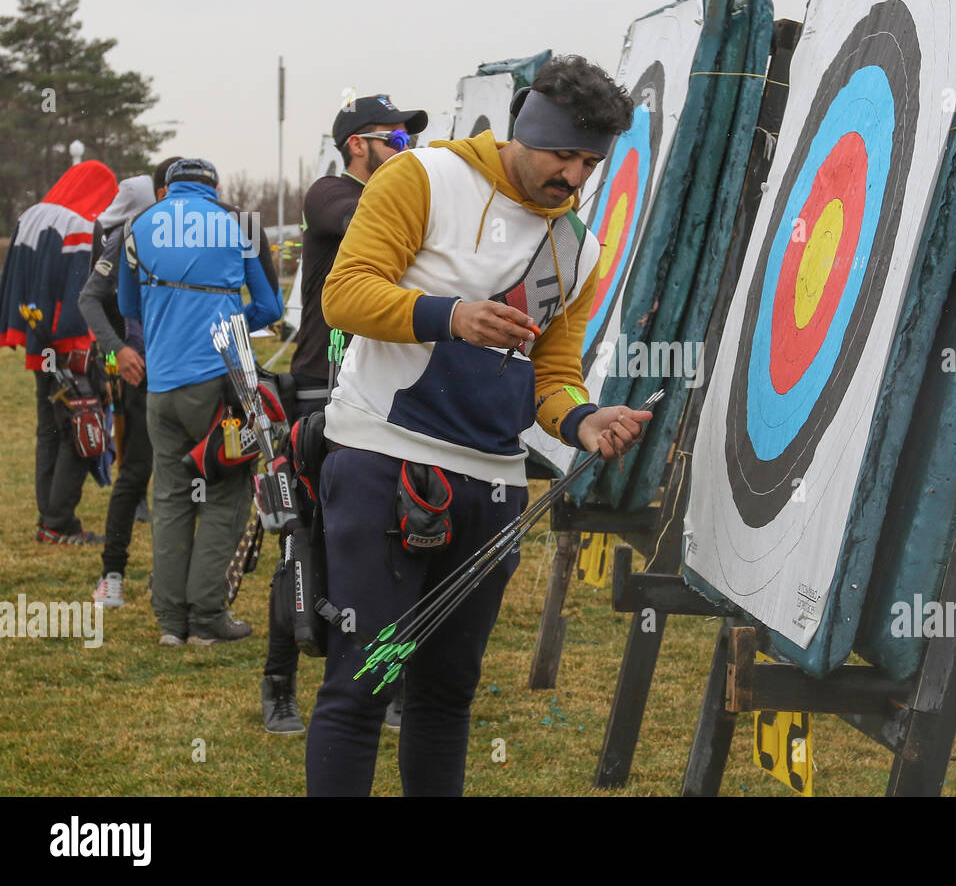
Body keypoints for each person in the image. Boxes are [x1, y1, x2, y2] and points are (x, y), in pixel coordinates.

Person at [305, 55, 651, 796]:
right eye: (563, 154)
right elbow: (345, 294)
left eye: (591, 161)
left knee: (447, 694)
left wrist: (584, 422)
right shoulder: (422, 179)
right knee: (363, 684)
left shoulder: (578, 244)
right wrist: (450, 316)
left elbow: (551, 374)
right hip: (383, 458)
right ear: (527, 131)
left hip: (492, 485)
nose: (576, 177)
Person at [261, 96, 427, 734]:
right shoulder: (329, 194)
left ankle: (384, 681)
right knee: (306, 545)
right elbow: (370, 215)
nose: (405, 151)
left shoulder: (397, 200)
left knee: (393, 544)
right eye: (396, 140)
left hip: (385, 392)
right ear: (358, 143)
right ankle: (279, 685)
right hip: (319, 392)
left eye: (412, 143)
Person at [119, 158, 283, 647]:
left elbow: (129, 308)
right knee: (225, 495)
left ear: (168, 188)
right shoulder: (238, 223)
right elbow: (271, 307)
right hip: (220, 384)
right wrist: (231, 319)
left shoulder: (138, 225)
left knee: (170, 498)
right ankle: (207, 618)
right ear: (214, 188)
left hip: (160, 385)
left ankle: (171, 621)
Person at [0, 160, 119, 544]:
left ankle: (47, 517)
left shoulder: (30, 215)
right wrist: (99, 356)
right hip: (72, 347)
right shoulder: (85, 226)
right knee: (82, 430)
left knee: (49, 430)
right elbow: (90, 294)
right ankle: (59, 523)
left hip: (39, 341)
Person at [80, 159, 177, 607]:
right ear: (159, 194)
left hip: (191, 376)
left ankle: (172, 580)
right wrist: (118, 350)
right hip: (142, 378)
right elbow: (90, 299)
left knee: (187, 481)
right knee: (136, 475)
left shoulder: (204, 235)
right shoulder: (128, 238)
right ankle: (112, 577)